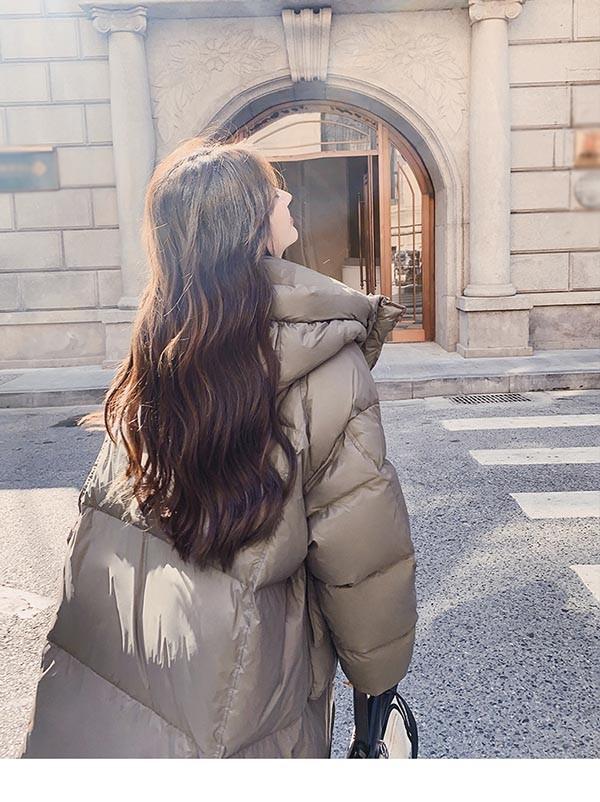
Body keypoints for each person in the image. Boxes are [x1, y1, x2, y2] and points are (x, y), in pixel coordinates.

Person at [21, 136, 417, 759]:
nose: (287, 197)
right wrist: (378, 683)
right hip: (248, 689)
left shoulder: (159, 347)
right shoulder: (325, 364)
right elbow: (362, 550)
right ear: (249, 224)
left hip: (117, 677)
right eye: (273, 190)